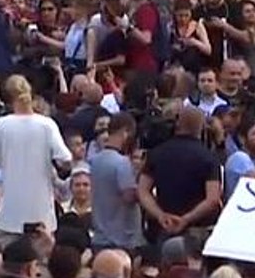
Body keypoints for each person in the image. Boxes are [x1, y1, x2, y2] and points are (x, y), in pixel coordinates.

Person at [0, 75, 72, 243]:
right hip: (40, 212)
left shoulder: (1, 125)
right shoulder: (47, 125)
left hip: (10, 212)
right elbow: (65, 159)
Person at [138, 107, 221, 235]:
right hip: (197, 230)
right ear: (202, 127)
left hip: (163, 227)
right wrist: (185, 219)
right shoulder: (209, 158)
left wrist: (160, 215)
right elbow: (213, 199)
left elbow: (142, 191)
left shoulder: (156, 153)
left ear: (177, 124)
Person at [88, 112, 144, 250]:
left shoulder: (94, 161)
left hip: (99, 235)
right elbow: (128, 196)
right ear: (125, 132)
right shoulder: (122, 163)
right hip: (121, 239)